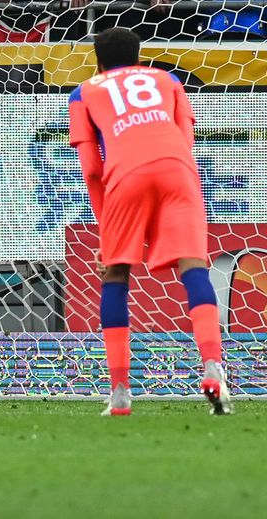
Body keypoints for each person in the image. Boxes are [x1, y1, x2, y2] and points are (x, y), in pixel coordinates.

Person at [67, 26, 230, 416]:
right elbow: (186, 136)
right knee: (195, 266)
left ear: (98, 61)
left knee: (116, 273)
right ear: (139, 57)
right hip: (178, 168)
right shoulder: (168, 79)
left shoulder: (83, 92)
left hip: (125, 174)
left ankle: (120, 393)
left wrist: (108, 229)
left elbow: (91, 168)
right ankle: (213, 369)